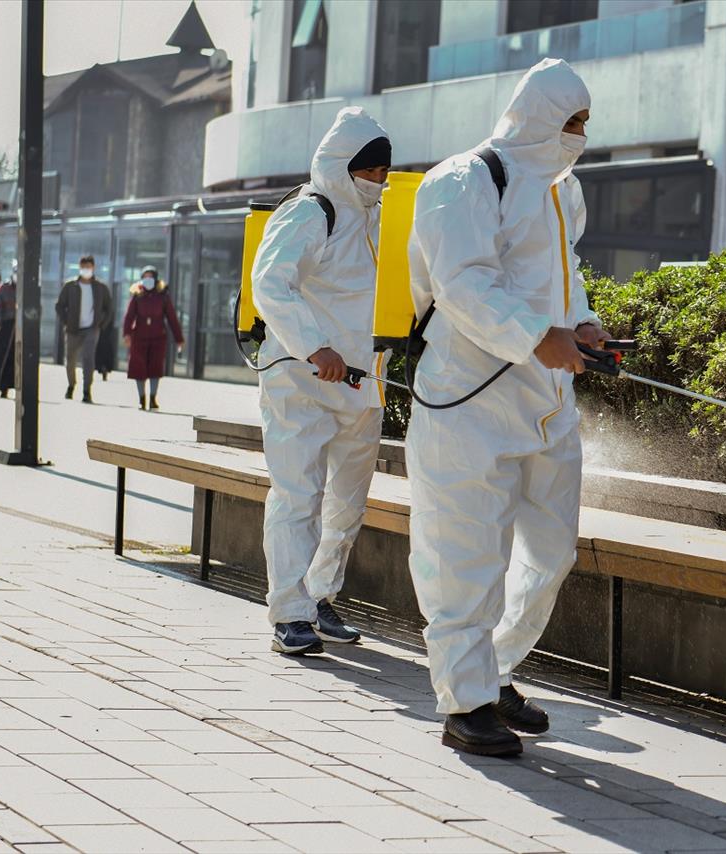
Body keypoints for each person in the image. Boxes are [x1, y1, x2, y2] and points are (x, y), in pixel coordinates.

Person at [406, 58, 607, 756]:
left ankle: (492, 672)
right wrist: (534, 337)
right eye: (568, 122)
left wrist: (580, 325)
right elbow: (463, 285)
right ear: (533, 116)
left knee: (549, 554)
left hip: (548, 400)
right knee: (465, 554)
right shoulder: (460, 183)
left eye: (584, 124)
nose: (578, 135)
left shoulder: (562, 190)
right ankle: (464, 704)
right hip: (468, 400)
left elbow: (564, 271)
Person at [251, 106, 392, 656]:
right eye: (370, 172)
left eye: (383, 173)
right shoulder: (310, 212)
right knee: (297, 496)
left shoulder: (378, 219)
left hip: (360, 384)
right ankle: (289, 613)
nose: (378, 182)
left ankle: (320, 595)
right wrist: (315, 346)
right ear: (343, 165)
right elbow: (271, 284)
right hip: (301, 379)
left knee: (346, 503)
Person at [122, 267, 184, 410]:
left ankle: (152, 398)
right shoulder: (137, 295)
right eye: (145, 277)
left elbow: (172, 318)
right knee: (139, 368)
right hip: (139, 337)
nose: (148, 280)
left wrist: (179, 338)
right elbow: (129, 316)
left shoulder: (163, 296)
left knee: (155, 368)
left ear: (155, 279)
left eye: (150, 277)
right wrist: (127, 333)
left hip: (158, 337)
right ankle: (141, 398)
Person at [56, 255, 112, 403]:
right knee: (70, 359)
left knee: (88, 359)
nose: (86, 270)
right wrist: (66, 321)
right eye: (83, 267)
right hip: (73, 328)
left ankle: (87, 390)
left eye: (89, 267)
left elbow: (109, 308)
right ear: (79, 268)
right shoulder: (70, 286)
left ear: (93, 268)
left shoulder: (100, 287)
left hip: (91, 329)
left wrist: (100, 324)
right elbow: (60, 305)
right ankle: (71, 385)